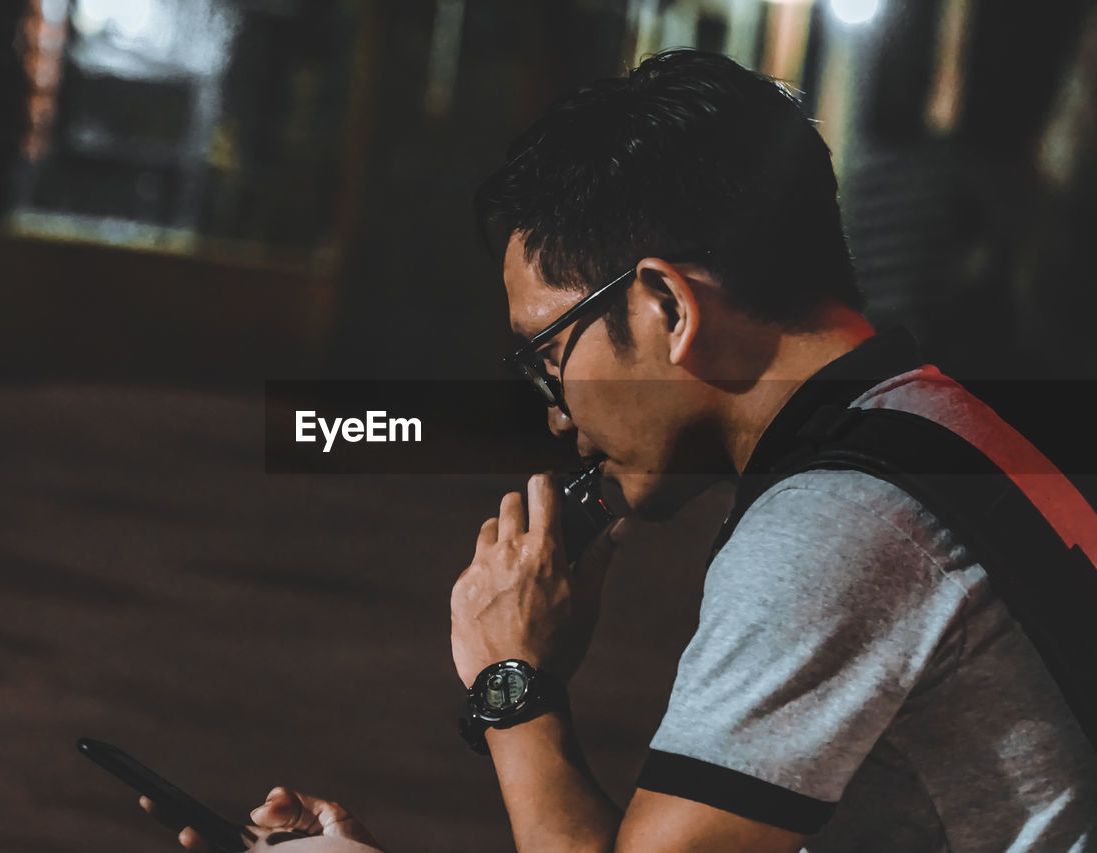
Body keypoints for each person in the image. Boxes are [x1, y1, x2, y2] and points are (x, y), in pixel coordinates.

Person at [164, 49, 1097, 852]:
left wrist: (511, 681)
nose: (555, 418)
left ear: (666, 306)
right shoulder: (938, 423)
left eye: (546, 356)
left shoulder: (832, 531)